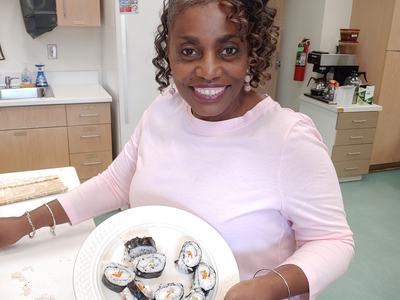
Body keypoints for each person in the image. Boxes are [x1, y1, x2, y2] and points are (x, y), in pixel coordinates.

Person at [0, 0, 354, 299]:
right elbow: (114, 184)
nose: (209, 70)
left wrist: (270, 286)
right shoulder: (164, 109)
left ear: (251, 53)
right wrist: (25, 222)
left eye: (229, 49)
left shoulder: (289, 138)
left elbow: (333, 241)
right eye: (189, 51)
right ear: (167, 53)